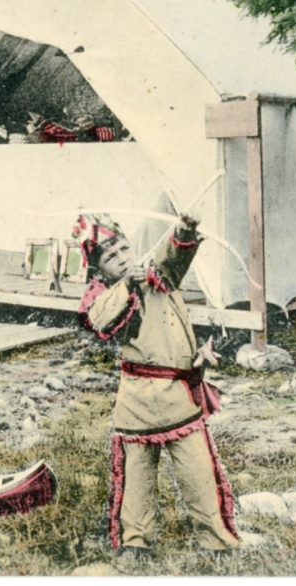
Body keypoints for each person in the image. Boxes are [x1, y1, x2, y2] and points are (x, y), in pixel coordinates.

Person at [73, 213, 239, 559]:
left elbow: (172, 257)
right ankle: (135, 543)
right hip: (138, 402)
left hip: (180, 398)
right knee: (137, 480)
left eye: (124, 249)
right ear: (98, 270)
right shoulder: (104, 295)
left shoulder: (159, 277)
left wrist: (184, 231)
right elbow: (100, 319)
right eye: (111, 257)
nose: (122, 258)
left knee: (199, 475)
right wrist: (127, 285)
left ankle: (215, 542)